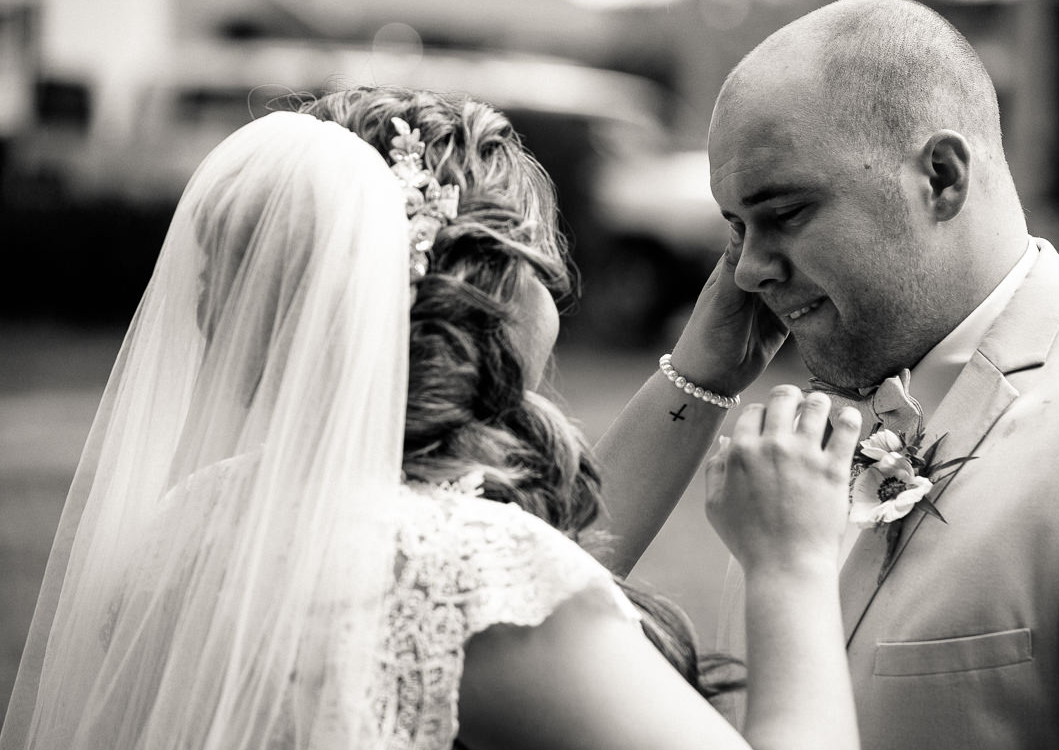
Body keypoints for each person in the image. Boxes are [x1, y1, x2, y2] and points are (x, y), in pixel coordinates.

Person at [0, 86, 864, 750]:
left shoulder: (198, 516)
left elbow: (540, 574)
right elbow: (503, 586)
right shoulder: (459, 572)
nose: (557, 284)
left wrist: (703, 374)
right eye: (541, 257)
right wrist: (789, 563)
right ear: (488, 283)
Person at [594, 0, 1059, 749]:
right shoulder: (791, 463)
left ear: (941, 176)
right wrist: (699, 379)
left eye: (783, 213)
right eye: (735, 229)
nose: (745, 271)